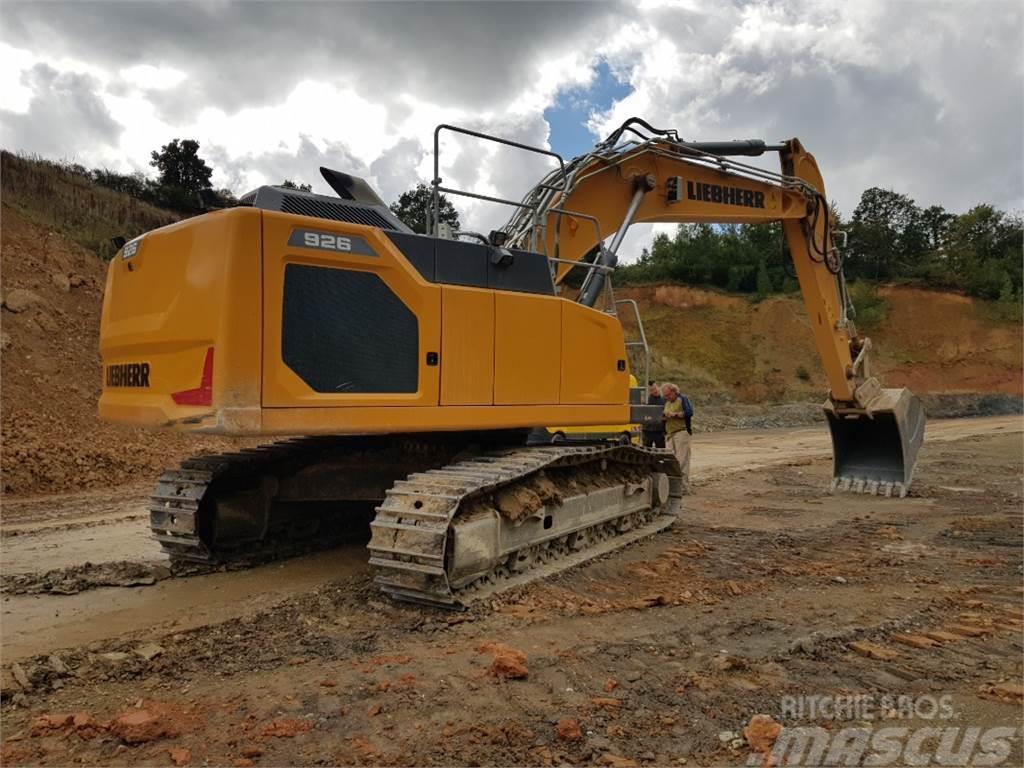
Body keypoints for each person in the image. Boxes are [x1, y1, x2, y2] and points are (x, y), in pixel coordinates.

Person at [661, 382, 691, 489]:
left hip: (681, 431)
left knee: (681, 460)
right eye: (665, 395)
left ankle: (683, 487)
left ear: (674, 391)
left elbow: (689, 412)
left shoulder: (683, 399)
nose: (667, 397)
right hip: (670, 433)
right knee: (670, 460)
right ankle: (673, 485)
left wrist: (675, 415)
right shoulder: (667, 402)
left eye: (668, 395)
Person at [643, 380, 665, 448]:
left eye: (655, 388)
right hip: (647, 430)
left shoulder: (664, 399)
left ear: (658, 387)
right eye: (651, 390)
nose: (654, 391)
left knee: (661, 449)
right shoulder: (647, 400)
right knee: (646, 450)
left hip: (659, 430)